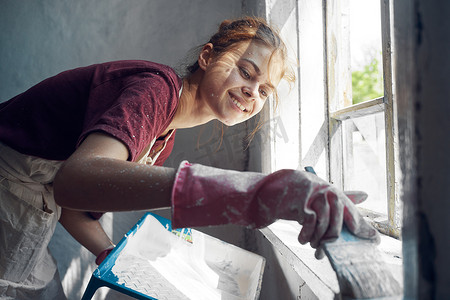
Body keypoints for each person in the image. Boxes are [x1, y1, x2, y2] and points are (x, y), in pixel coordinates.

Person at [0, 17, 378, 299]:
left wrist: (111, 254)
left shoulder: (161, 138)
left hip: (28, 207)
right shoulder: (155, 89)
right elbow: (75, 180)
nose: (252, 93)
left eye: (264, 91)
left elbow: (73, 204)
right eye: (246, 72)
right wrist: (251, 193)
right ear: (207, 55)